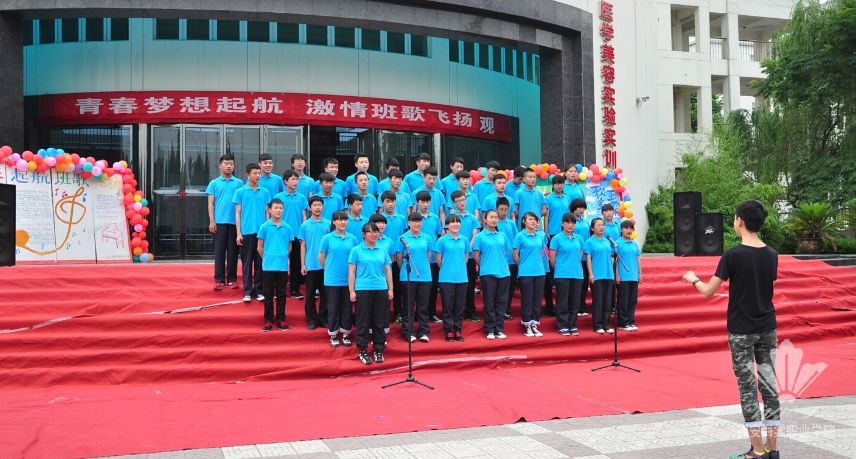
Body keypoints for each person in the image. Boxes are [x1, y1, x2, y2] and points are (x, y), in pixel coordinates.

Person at [682, 200, 780, 459]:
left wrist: (693, 278)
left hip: (741, 330)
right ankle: (772, 449)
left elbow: (708, 291)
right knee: (769, 386)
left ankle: (757, 451)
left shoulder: (733, 255)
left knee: (748, 388)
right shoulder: (772, 254)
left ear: (740, 221)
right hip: (767, 327)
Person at [348, 222, 394, 365]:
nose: (374, 234)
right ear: (363, 234)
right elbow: (352, 272)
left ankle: (378, 349)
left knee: (379, 320)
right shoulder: (356, 250)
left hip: (380, 288)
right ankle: (362, 349)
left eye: (376, 232)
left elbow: (388, 271)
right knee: (363, 321)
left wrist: (390, 289)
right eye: (370, 232)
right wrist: (351, 291)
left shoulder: (382, 250)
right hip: (363, 289)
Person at [319, 211, 358, 347]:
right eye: (340, 220)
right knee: (333, 307)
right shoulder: (327, 238)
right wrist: (330, 269)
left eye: (345, 220)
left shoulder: (352, 239)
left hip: (348, 279)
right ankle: (334, 334)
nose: (343, 222)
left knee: (347, 307)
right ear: (334, 222)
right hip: (332, 279)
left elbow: (355, 259)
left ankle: (346, 333)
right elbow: (321, 258)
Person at [233, 163, 272, 302]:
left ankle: (259, 290)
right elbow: (237, 214)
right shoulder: (240, 192)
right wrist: (238, 233)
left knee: (260, 263)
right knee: (247, 263)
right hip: (246, 233)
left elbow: (267, 214)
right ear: (247, 174)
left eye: (258, 173)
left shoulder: (265, 192)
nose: (257, 175)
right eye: (254, 173)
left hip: (261, 234)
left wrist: (268, 232)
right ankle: (247, 291)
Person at [206, 153, 243, 290]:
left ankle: (232, 279)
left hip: (235, 223)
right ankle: (219, 279)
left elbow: (242, 203)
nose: (229, 166)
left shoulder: (239, 183)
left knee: (233, 252)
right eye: (226, 164)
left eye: (231, 164)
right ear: (220, 166)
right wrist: (212, 221)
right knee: (219, 252)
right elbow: (210, 203)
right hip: (219, 222)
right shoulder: (214, 183)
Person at [473, 209, 511, 340]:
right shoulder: (480, 236)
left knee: (501, 302)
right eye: (491, 217)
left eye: (496, 217)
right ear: (485, 219)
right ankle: (489, 329)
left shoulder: (502, 236)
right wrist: (485, 266)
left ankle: (499, 329)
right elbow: (476, 256)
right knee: (489, 302)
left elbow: (505, 252)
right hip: (488, 273)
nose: (494, 219)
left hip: (503, 272)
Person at [396, 212, 435, 343]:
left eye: (419, 221)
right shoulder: (402, 238)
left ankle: (424, 332)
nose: (417, 224)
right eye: (414, 221)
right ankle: (408, 332)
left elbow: (428, 256)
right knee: (408, 306)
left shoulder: (427, 238)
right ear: (409, 223)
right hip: (408, 277)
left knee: (423, 306)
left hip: (425, 276)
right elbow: (399, 259)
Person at [256, 198, 293, 331]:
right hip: (268, 266)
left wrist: (282, 256)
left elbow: (289, 246)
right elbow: (259, 247)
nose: (278, 210)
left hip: (282, 266)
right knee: (268, 294)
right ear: (270, 210)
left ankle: (281, 319)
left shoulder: (288, 227)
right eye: (276, 208)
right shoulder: (264, 226)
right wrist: (267, 258)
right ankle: (268, 320)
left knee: (282, 294)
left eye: (280, 208)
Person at [435, 214, 471, 342]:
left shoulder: (464, 240)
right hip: (446, 279)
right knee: (447, 306)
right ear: (447, 225)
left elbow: (466, 258)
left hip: (462, 278)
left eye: (457, 222)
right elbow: (438, 260)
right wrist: (447, 269)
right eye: (452, 222)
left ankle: (457, 329)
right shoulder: (442, 240)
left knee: (460, 306)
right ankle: (448, 330)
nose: (455, 224)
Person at [273, 170, 308, 299]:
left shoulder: (302, 198)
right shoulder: (279, 197)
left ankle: (294, 289)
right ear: (285, 181)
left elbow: (304, 216)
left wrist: (303, 233)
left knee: (296, 263)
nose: (295, 182)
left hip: (297, 234)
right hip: (281, 234)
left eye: (296, 179)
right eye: (293, 179)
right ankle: (278, 289)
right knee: (279, 261)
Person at [513, 212, 548, 337]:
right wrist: (523, 265)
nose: (533, 221)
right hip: (525, 272)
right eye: (530, 219)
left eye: (535, 220)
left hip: (539, 271)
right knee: (527, 299)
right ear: (524, 221)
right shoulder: (519, 236)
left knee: (537, 299)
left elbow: (542, 251)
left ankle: (534, 324)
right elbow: (515, 255)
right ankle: (527, 324)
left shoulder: (540, 236)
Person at [448, 190, 480, 322]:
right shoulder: (451, 218)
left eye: (463, 200)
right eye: (458, 201)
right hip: (454, 257)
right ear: (453, 203)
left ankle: (470, 311)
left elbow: (475, 234)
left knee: (470, 285)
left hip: (469, 257)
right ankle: (455, 313)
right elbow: (447, 235)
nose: (461, 203)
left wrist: (467, 249)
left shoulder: (472, 217)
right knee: (455, 286)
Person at [550, 212, 584, 335]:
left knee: (575, 301)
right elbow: (552, 258)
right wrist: (559, 268)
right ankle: (563, 325)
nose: (570, 225)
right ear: (562, 223)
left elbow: (580, 254)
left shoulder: (579, 238)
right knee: (562, 301)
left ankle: (573, 325)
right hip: (562, 274)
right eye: (567, 222)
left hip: (577, 274)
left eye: (572, 223)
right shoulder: (556, 238)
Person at [299, 196, 331, 330]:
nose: (317, 207)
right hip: (311, 264)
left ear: (323, 207)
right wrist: (302, 264)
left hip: (326, 265)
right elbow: (303, 246)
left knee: (325, 294)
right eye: (315, 205)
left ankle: (323, 318)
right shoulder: (305, 225)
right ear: (310, 208)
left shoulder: (329, 224)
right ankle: (311, 319)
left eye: (320, 205)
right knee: (310, 294)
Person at [542, 174, 571, 316]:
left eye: (562, 183)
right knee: (551, 262)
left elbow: (569, 217)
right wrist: (546, 231)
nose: (560, 185)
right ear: (553, 185)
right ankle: (550, 305)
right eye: (557, 183)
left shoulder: (567, 198)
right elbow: (546, 216)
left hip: (565, 234)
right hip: (553, 233)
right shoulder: (548, 199)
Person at [414, 190, 443, 323]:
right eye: (422, 202)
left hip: (432, 259)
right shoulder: (414, 218)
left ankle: (431, 313)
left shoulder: (435, 218)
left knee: (432, 287)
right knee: (416, 289)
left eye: (427, 202)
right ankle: (416, 314)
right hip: (417, 259)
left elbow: (437, 235)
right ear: (417, 203)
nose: (425, 204)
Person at [379, 191, 407, 324]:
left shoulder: (401, 218)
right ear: (382, 203)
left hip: (397, 259)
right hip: (382, 260)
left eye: (393, 201)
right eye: (387, 201)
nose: (391, 204)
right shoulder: (379, 220)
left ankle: (398, 314)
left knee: (397, 288)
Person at [585, 217, 614, 334]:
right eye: (598, 225)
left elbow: (611, 256)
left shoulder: (608, 241)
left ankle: (606, 324)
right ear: (592, 228)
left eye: (603, 225)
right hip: (597, 275)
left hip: (609, 274)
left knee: (608, 301)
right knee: (598, 301)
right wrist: (590, 274)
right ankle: (598, 325)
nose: (601, 227)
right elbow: (588, 258)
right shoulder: (589, 241)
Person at [615, 220, 641, 331]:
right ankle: (622, 322)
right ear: (621, 230)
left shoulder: (634, 243)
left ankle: (630, 321)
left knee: (632, 300)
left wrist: (640, 274)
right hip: (623, 276)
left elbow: (638, 259)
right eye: (626, 228)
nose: (628, 230)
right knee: (623, 300)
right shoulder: (617, 243)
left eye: (631, 228)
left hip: (633, 276)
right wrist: (617, 275)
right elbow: (615, 260)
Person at [495, 197, 518, 321]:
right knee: (499, 288)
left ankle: (506, 309)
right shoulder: (494, 223)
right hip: (499, 261)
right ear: (496, 209)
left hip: (511, 260)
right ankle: (497, 310)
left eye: (506, 210)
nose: (503, 212)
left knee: (510, 288)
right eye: (501, 209)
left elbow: (516, 240)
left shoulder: (511, 224)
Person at [571, 197, 591, 316]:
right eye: (579, 207)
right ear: (574, 208)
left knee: (584, 284)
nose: (581, 210)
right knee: (576, 284)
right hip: (575, 256)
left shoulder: (586, 222)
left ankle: (582, 308)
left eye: (583, 208)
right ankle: (575, 308)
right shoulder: (570, 221)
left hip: (585, 257)